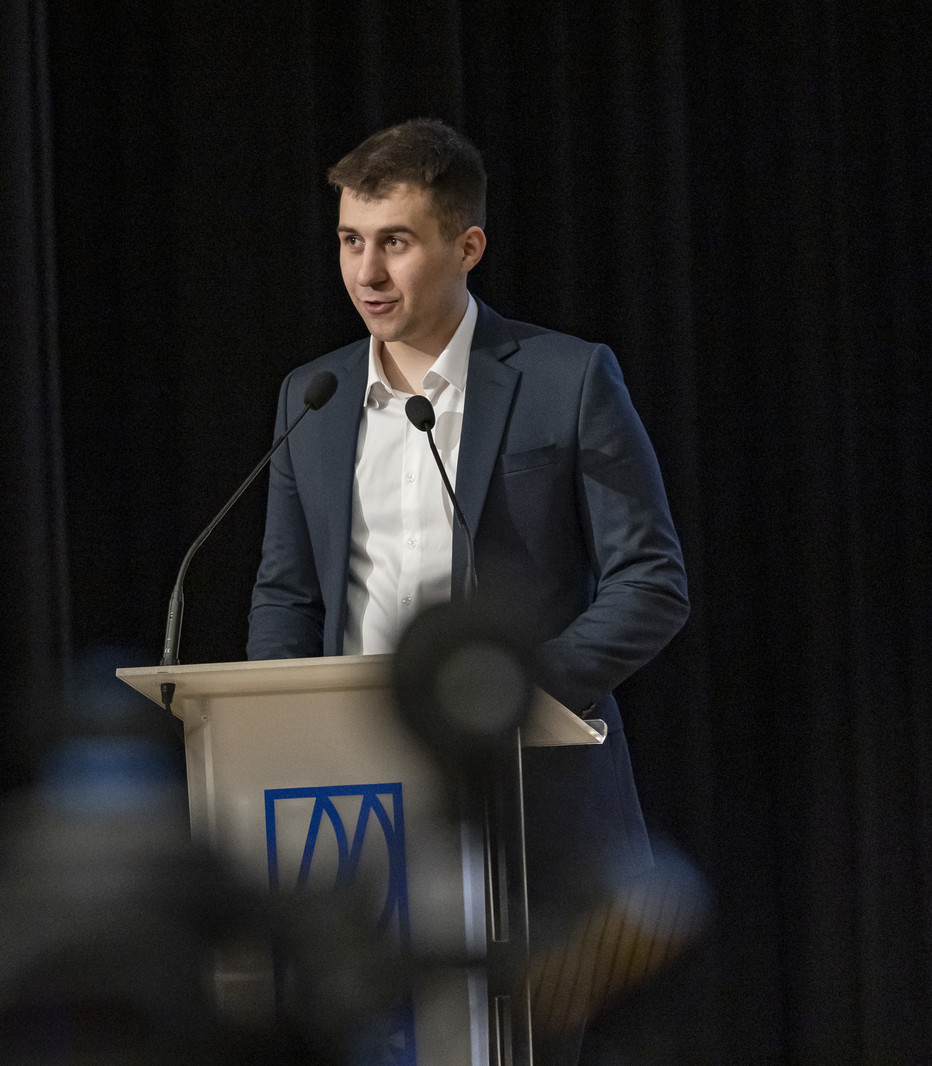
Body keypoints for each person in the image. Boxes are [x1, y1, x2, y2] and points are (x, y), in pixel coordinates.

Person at [246, 118, 690, 1062]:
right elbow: (285, 597)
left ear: (467, 246)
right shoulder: (310, 398)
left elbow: (652, 580)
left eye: (395, 242)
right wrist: (278, 737)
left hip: (529, 797)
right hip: (354, 811)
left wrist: (510, 698)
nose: (367, 272)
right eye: (350, 241)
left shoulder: (567, 378)